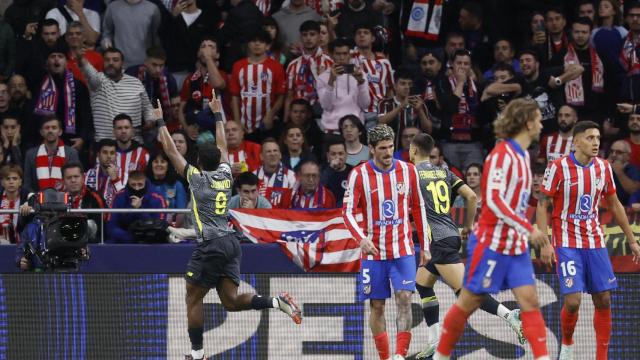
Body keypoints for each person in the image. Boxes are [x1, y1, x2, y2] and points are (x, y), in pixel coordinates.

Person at [155, 95, 302, 360]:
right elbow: (223, 145)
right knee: (231, 302)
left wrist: (159, 121)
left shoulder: (197, 180)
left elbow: (170, 150)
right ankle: (275, 301)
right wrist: (218, 114)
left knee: (193, 297)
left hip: (211, 245)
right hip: (231, 244)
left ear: (200, 162)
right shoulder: (225, 175)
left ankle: (197, 354)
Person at [433, 98, 550, 360]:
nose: (542, 124)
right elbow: (494, 201)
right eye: (539, 119)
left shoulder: (523, 156)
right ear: (528, 122)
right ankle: (440, 356)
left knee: (530, 302)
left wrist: (522, 231)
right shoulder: (501, 154)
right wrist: (527, 227)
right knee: (469, 302)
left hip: (515, 246)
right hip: (490, 245)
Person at [409, 133, 525, 359]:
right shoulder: (444, 171)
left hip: (438, 241)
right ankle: (434, 340)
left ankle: (510, 315)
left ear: (413, 151)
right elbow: (472, 197)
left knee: (468, 293)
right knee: (422, 284)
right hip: (449, 233)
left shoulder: (412, 174)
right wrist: (468, 226)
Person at [536, 121, 640, 360]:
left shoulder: (603, 167)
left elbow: (614, 204)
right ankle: (568, 345)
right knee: (573, 302)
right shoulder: (558, 167)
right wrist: (545, 242)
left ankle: (601, 357)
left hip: (594, 240)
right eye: (590, 138)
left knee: (603, 299)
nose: (596, 143)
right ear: (576, 141)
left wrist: (632, 240)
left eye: (597, 138)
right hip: (566, 241)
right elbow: (542, 204)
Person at [342, 124, 429, 360]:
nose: (388, 152)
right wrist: (361, 238)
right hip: (373, 254)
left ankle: (400, 356)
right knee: (377, 306)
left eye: (391, 146)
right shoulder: (359, 174)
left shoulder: (408, 170)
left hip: (403, 250)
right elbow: (347, 212)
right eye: (382, 148)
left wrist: (426, 246)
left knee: (404, 298)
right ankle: (384, 357)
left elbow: (418, 208)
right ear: (371, 149)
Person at [76, 47, 155, 143]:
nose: (111, 63)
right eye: (107, 60)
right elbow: (88, 71)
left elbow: (147, 107)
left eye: (115, 60)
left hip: (134, 143)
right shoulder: (97, 82)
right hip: (105, 145)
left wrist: (150, 121)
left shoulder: (136, 82)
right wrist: (81, 59)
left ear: (122, 63)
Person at [229, 30, 286, 140]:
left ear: (268, 46)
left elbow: (281, 95)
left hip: (267, 124)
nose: (257, 44)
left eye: (261, 41)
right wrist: (237, 122)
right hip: (244, 125)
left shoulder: (276, 67)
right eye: (253, 41)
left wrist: (271, 115)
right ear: (248, 44)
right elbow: (235, 96)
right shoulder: (238, 66)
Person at [317, 38, 370, 134]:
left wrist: (360, 83)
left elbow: (365, 104)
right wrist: (331, 80)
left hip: (355, 129)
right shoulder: (323, 78)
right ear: (332, 55)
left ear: (349, 54)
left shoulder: (360, 75)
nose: (341, 57)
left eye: (345, 54)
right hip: (332, 129)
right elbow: (326, 106)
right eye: (338, 54)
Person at [106, 170, 167, 243]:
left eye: (140, 184)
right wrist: (129, 237)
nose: (137, 188)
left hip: (150, 241)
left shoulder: (158, 198)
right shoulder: (119, 196)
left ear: (145, 182)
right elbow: (111, 226)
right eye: (133, 185)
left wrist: (140, 210)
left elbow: (160, 227)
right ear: (128, 182)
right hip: (124, 240)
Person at [23, 115, 80, 193]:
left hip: (64, 200)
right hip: (38, 201)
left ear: (60, 132)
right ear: (41, 132)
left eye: (54, 128)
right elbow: (27, 184)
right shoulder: (31, 154)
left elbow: (75, 181)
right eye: (47, 128)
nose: (50, 130)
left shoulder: (71, 153)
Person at [101, 0, 161, 68]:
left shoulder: (152, 9)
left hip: (144, 65)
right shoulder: (112, 7)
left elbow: (156, 38)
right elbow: (106, 33)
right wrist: (106, 42)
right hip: (120, 65)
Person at [253, 137, 297, 208]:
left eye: (275, 151)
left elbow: (294, 204)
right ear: (261, 156)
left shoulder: (291, 177)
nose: (272, 154)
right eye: (268, 151)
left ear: (280, 155)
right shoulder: (253, 176)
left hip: (281, 218)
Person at [112, 113, 150, 186]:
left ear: (132, 130)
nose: (123, 131)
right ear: (114, 132)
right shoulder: (107, 153)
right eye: (119, 128)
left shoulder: (143, 154)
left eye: (126, 127)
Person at [85, 138, 124, 208]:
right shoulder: (88, 174)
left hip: (114, 216)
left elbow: (124, 201)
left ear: (116, 156)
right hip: (92, 215)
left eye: (112, 153)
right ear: (98, 154)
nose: (109, 156)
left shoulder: (124, 175)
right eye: (105, 152)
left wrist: (115, 180)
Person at [0, 164, 29, 244]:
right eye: (7, 179)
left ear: (20, 182)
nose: (11, 182)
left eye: (14, 179)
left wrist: (29, 204)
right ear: (2, 182)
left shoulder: (27, 198)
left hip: (21, 246)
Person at [320, 137, 352, 206]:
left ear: (346, 155)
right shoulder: (322, 171)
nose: (337, 157)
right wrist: (330, 169)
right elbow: (318, 189)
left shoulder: (354, 171)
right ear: (328, 156)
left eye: (340, 154)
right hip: (327, 213)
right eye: (333, 154)